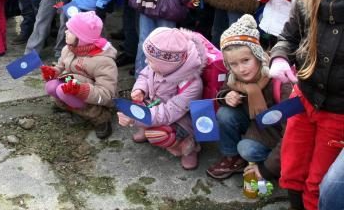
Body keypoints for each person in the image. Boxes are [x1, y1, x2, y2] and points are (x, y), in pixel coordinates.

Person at [269, 0, 344, 210]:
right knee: (292, 169)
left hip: (337, 113)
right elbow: (288, 37)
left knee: (319, 181)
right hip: (303, 98)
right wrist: (278, 57)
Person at [206, 15, 292, 182]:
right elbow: (221, 92)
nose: (241, 69)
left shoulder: (279, 81)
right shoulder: (234, 77)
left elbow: (290, 133)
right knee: (225, 113)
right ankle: (232, 157)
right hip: (254, 124)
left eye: (246, 61)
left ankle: (272, 162)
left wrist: (268, 169)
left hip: (274, 133)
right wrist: (226, 96)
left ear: (258, 55)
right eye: (233, 64)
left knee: (246, 149)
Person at [117, 27, 206, 170]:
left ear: (168, 65)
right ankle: (146, 127)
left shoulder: (191, 84)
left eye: (151, 61)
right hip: (156, 105)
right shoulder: (158, 65)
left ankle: (187, 146)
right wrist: (140, 89)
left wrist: (135, 117)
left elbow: (170, 112)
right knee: (138, 103)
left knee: (159, 134)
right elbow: (145, 75)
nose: (147, 62)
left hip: (180, 120)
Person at [41, 11, 118, 139]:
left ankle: (100, 117)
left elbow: (107, 94)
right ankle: (72, 107)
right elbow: (61, 65)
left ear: (82, 38)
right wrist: (54, 71)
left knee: (62, 91)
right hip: (72, 83)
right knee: (50, 86)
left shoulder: (104, 61)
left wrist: (81, 91)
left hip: (94, 95)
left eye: (70, 31)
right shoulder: (69, 48)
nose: (65, 32)